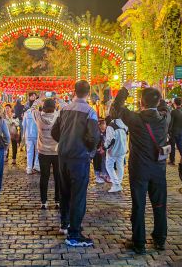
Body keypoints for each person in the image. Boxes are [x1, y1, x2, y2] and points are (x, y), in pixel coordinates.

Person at [113, 81, 169, 255]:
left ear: (140, 103)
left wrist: (126, 89)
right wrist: (155, 90)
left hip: (139, 169)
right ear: (158, 102)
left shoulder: (135, 119)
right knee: (160, 204)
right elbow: (165, 106)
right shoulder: (166, 117)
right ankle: (160, 239)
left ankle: (139, 242)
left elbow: (116, 108)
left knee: (139, 205)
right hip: (159, 169)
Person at [51, 80, 100, 247]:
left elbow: (54, 131)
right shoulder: (90, 112)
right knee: (78, 195)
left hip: (63, 156)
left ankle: (64, 224)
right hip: (79, 158)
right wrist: (90, 152)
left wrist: (64, 142)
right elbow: (93, 137)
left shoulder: (64, 109)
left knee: (64, 192)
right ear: (88, 93)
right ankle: (74, 234)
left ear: (74, 91)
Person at [31, 95, 66, 209]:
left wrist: (38, 100)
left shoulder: (38, 117)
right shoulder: (59, 116)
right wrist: (59, 100)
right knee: (58, 177)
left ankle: (44, 201)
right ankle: (58, 201)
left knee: (44, 177)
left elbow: (32, 108)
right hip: (57, 151)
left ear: (44, 107)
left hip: (43, 152)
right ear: (55, 107)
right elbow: (66, 107)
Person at [104, 106, 128, 193]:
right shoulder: (124, 124)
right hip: (122, 148)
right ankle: (118, 183)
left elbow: (109, 140)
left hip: (113, 150)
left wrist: (104, 147)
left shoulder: (111, 126)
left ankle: (116, 184)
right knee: (120, 166)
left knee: (109, 166)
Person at [168, 98, 182, 165]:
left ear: (174, 103)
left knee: (172, 146)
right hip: (181, 130)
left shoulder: (173, 112)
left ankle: (172, 161)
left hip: (174, 131)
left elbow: (171, 123)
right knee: (180, 146)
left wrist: (168, 131)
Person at [22, 103, 39, 174]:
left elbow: (24, 125)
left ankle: (29, 168)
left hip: (28, 135)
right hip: (37, 135)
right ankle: (36, 165)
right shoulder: (38, 113)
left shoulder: (26, 113)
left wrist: (23, 135)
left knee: (29, 152)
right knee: (38, 151)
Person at [92, 119, 108, 184]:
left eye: (105, 124)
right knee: (97, 163)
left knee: (104, 162)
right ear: (100, 125)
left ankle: (104, 174)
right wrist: (97, 148)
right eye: (104, 124)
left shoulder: (106, 132)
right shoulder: (96, 132)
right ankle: (97, 176)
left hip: (104, 151)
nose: (105, 125)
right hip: (97, 151)